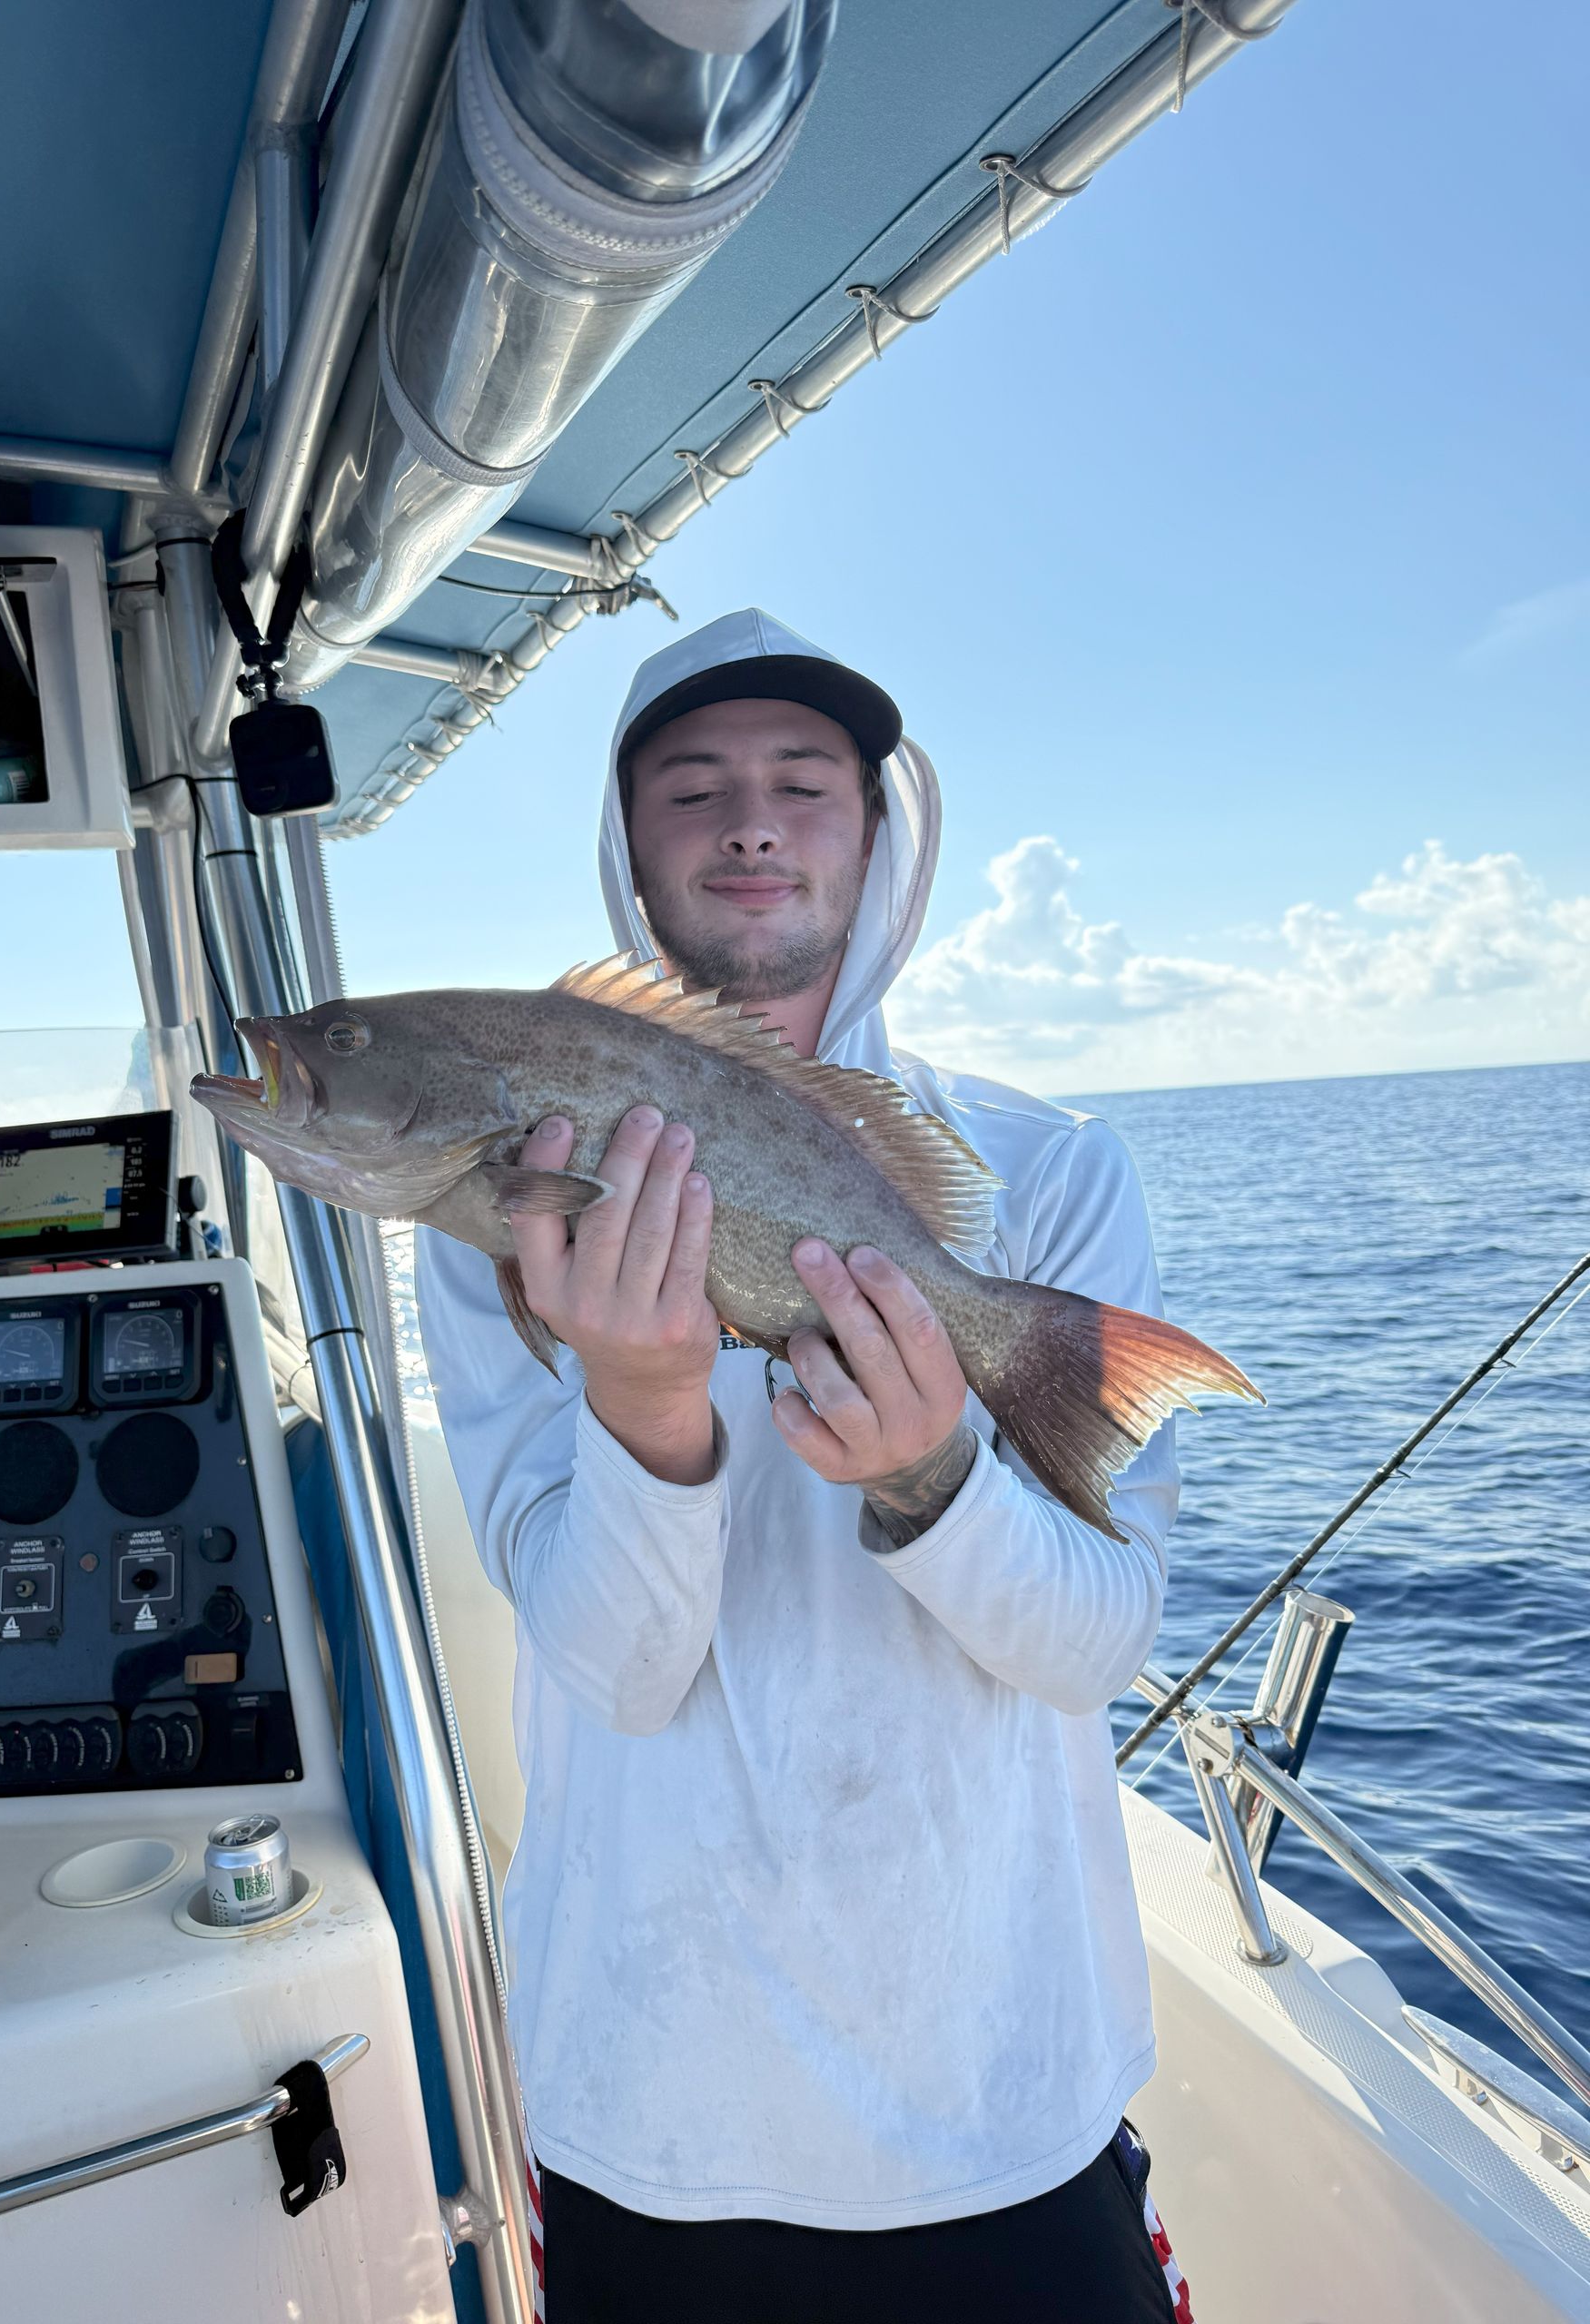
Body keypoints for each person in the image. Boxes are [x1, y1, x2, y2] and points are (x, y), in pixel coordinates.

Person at [415, 608, 1190, 2322]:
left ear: (878, 828)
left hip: (1012, 2097)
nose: (751, 823)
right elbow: (617, 1675)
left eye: (802, 784)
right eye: (693, 789)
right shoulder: (496, 1209)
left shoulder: (1049, 1176)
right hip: (657, 2116)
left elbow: (1092, 1646)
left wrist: (935, 1481)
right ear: (628, 850)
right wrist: (643, 1404)